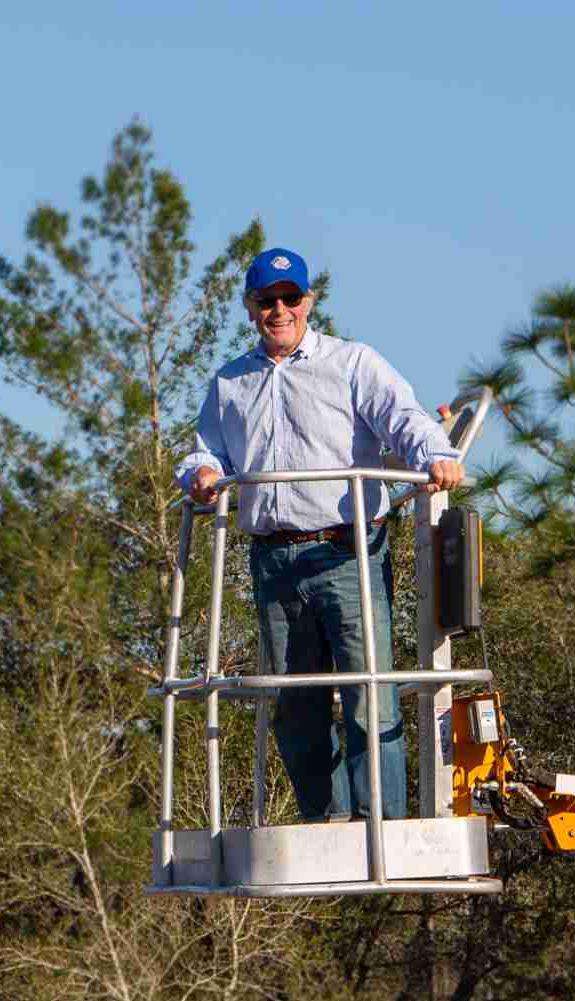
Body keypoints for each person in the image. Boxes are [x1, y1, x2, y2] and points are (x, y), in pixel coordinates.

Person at [176, 247, 464, 823]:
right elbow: (205, 452)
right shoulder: (230, 382)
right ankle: (325, 821)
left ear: (308, 302)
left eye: (290, 298)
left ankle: (379, 823)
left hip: (347, 551)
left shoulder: (352, 362)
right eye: (266, 301)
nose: (279, 310)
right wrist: (201, 476)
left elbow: (404, 419)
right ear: (250, 308)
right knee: (294, 703)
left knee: (370, 688)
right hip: (272, 560)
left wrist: (437, 456)